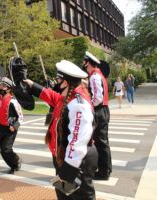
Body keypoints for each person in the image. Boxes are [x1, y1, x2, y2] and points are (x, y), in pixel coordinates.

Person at [24, 60, 97, 200]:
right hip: (63, 156)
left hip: (76, 161)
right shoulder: (69, 96)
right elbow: (53, 97)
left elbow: (78, 141)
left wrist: (68, 170)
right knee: (64, 195)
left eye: (58, 79)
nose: (56, 82)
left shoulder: (78, 105)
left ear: (65, 82)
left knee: (81, 197)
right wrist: (33, 86)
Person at [83, 51, 112, 180]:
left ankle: (104, 172)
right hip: (103, 110)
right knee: (103, 142)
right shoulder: (97, 74)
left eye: (84, 62)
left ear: (88, 62)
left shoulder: (94, 76)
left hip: (99, 110)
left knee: (100, 142)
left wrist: (89, 105)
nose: (83, 64)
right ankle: (106, 169)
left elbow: (97, 98)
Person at [0, 77, 23, 174]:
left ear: (9, 88)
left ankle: (16, 162)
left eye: (4, 86)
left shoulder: (13, 101)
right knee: (2, 150)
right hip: (2, 128)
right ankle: (13, 164)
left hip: (10, 128)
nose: (1, 87)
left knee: (6, 149)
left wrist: (14, 126)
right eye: (1, 85)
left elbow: (20, 117)